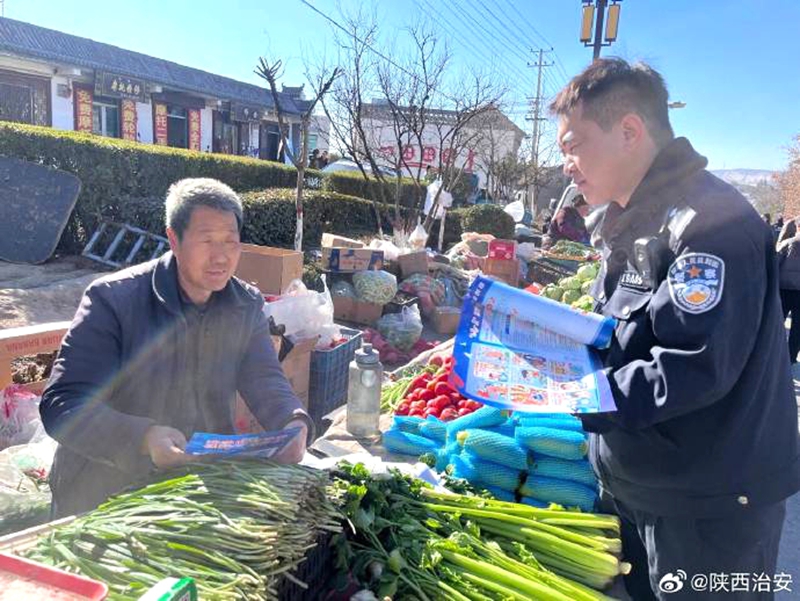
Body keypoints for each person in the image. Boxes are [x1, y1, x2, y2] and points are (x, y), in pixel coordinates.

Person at [551, 58, 800, 600]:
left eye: (573, 145)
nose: (565, 163)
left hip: (708, 511)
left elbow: (691, 365)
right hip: (650, 486)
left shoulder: (712, 223)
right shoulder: (634, 219)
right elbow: (628, 333)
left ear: (630, 131)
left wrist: (569, 392)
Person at [40, 178, 313, 518]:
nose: (221, 256)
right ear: (174, 239)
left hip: (195, 488)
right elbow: (61, 406)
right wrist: (143, 437)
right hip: (106, 494)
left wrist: (293, 422)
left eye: (230, 241)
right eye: (207, 241)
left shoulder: (244, 304)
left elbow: (264, 378)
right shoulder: (113, 299)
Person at [778, 230, 800, 363]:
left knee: (777, 323)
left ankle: (773, 351)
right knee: (798, 327)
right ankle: (791, 356)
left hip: (784, 288)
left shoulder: (788, 243)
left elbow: (775, 262)